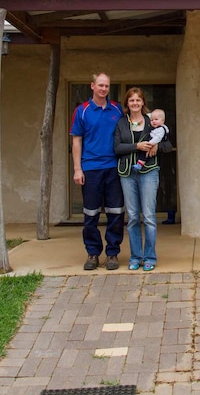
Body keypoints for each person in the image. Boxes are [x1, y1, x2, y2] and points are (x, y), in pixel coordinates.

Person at [71, 73, 125, 271]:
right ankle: (93, 253)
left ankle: (112, 253)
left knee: (116, 212)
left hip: (114, 168)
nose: (103, 89)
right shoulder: (82, 111)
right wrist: (78, 169)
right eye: (100, 85)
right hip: (91, 168)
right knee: (91, 214)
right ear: (92, 86)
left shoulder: (117, 109)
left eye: (107, 86)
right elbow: (76, 140)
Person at [114, 88, 173, 271]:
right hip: (127, 174)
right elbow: (116, 148)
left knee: (148, 216)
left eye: (138, 100)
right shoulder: (121, 123)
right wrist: (136, 146)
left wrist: (157, 147)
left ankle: (150, 257)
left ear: (142, 102)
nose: (135, 103)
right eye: (131, 100)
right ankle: (135, 257)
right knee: (132, 217)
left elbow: (168, 144)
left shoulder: (152, 121)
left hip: (149, 172)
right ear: (127, 103)